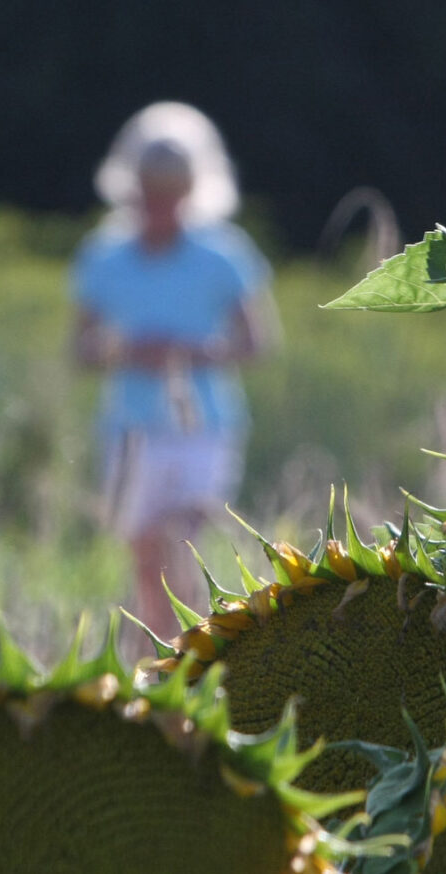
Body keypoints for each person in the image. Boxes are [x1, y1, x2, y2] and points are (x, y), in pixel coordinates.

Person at [71, 102, 276, 641]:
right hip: (130, 428)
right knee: (146, 560)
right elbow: (82, 347)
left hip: (203, 426)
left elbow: (257, 342)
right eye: (149, 190)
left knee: (180, 541)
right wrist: (129, 352)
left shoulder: (224, 254)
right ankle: (163, 659)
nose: (159, 203)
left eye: (171, 191)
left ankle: (193, 652)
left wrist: (191, 353)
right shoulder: (105, 256)